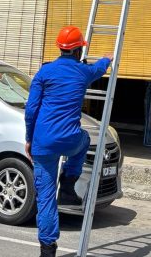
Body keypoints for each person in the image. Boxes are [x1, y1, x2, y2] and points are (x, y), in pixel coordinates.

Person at [25, 25, 112, 257]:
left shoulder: (44, 72)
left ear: (60, 48)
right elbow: (98, 69)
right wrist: (107, 59)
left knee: (45, 198)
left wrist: (28, 139)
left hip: (43, 142)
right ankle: (69, 182)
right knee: (85, 139)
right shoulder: (83, 72)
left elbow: (31, 110)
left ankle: (47, 249)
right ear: (78, 51)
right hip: (70, 140)